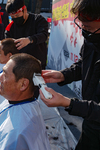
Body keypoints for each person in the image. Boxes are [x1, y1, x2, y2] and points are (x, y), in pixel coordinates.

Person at [40, 0, 100, 149]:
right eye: (81, 25)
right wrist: (63, 75)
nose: (83, 30)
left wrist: (68, 103)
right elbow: (84, 64)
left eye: (88, 27)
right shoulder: (92, 38)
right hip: (91, 123)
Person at [5, 0, 48, 69]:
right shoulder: (11, 27)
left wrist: (29, 40)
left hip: (37, 64)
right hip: (19, 65)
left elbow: (44, 35)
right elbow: (7, 42)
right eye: (12, 17)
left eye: (17, 15)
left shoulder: (38, 20)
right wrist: (2, 45)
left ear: (25, 9)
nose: (15, 18)